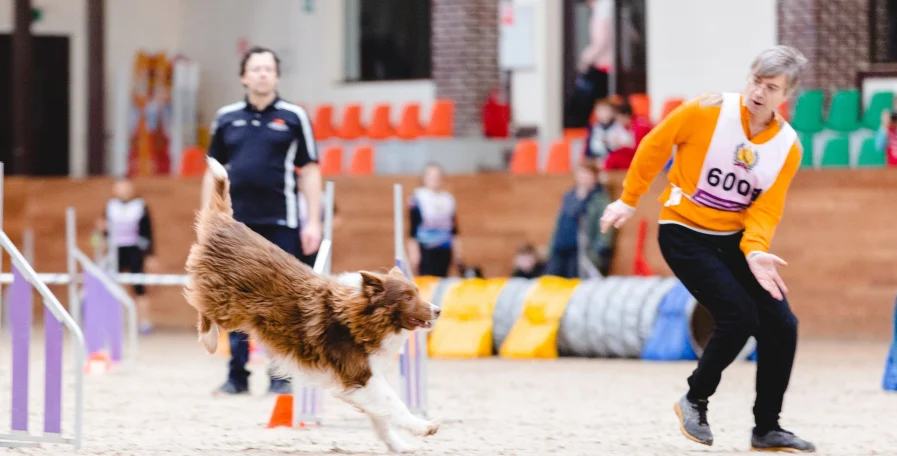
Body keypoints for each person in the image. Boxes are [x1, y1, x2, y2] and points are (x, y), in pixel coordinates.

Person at [599, 45, 815, 452]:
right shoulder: (706, 111)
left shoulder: (788, 147)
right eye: (755, 80)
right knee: (737, 316)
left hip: (733, 241)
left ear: (785, 96)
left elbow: (765, 210)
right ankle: (695, 400)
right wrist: (629, 199)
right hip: (684, 232)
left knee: (782, 325)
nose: (758, 92)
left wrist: (754, 250)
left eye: (770, 87)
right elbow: (654, 145)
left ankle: (766, 427)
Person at [201, 46, 323, 396]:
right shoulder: (225, 118)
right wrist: (208, 225)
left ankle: (281, 377)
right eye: (256, 69)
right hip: (236, 227)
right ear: (244, 76)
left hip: (282, 222)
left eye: (268, 68)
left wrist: (313, 221)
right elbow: (212, 174)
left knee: (283, 302)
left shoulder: (294, 116)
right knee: (236, 301)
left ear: (277, 76)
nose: (262, 74)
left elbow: (311, 171)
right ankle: (236, 376)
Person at [98, 178, 158, 335]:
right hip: (115, 251)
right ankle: (111, 321)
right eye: (120, 187)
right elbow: (103, 231)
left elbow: (148, 232)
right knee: (110, 286)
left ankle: (144, 322)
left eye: (126, 187)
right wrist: (102, 233)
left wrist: (150, 256)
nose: (123, 190)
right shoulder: (110, 207)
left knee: (139, 288)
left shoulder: (140, 206)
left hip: (134, 251)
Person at [545, 158, 614, 278]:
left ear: (594, 176)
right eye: (581, 174)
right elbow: (560, 222)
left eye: (587, 174)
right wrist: (551, 246)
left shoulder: (599, 199)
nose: (583, 177)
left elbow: (605, 227)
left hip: (581, 250)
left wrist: (598, 252)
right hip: (561, 246)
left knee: (575, 281)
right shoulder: (569, 196)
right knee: (552, 279)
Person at [406, 163, 462, 277]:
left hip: (445, 248)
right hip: (426, 249)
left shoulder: (448, 199)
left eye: (437, 176)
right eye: (431, 176)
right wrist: (414, 253)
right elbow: (413, 229)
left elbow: (454, 228)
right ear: (424, 178)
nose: (435, 179)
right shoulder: (417, 198)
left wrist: (458, 252)